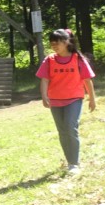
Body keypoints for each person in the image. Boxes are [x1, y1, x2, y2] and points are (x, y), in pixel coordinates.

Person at [36, 28, 97, 175]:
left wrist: (92, 98)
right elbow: (44, 79)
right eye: (52, 43)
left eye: (57, 42)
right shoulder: (49, 60)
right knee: (62, 132)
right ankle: (70, 162)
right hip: (55, 100)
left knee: (70, 128)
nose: (54, 46)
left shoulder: (78, 59)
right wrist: (44, 96)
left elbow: (87, 80)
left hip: (74, 99)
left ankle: (75, 163)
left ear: (66, 42)